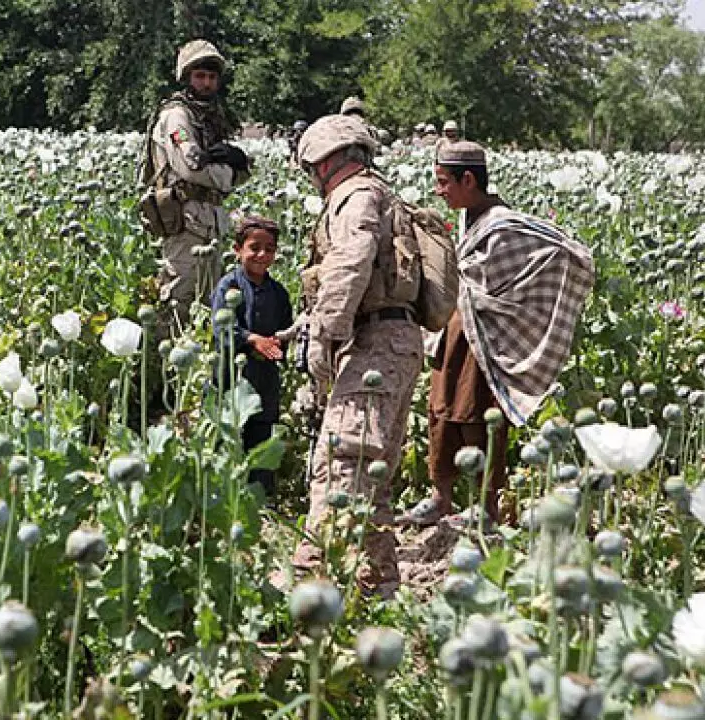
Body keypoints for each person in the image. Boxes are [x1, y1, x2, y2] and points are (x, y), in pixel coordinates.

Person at [401, 141, 594, 527]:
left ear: (468, 179)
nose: (439, 191)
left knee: (478, 416)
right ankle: (440, 497)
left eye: (443, 182)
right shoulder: (467, 218)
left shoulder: (504, 224)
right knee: (440, 414)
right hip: (451, 333)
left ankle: (486, 507)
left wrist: (502, 304)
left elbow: (566, 251)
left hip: (483, 339)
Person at [290, 115, 424, 596]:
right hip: (394, 343)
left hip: (375, 345)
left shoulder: (356, 198)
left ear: (326, 161)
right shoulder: (383, 195)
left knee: (342, 461)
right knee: (374, 471)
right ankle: (376, 581)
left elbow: (351, 262)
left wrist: (324, 335)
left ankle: (315, 581)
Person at [145, 39, 252, 338]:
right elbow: (191, 166)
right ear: (186, 77)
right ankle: (167, 375)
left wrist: (236, 162)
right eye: (200, 76)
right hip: (185, 222)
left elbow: (243, 172)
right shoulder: (177, 116)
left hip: (211, 222)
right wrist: (231, 172)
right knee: (180, 300)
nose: (206, 83)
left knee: (208, 302)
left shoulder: (211, 116)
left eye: (212, 77)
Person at [210, 215, 294, 497]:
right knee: (229, 432)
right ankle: (223, 495)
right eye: (254, 247)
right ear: (237, 249)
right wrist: (250, 339)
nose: (262, 255)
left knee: (262, 434)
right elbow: (222, 328)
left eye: (269, 249)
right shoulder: (228, 286)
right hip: (230, 376)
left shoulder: (279, 293)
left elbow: (286, 329)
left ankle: (260, 499)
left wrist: (278, 343)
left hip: (264, 377)